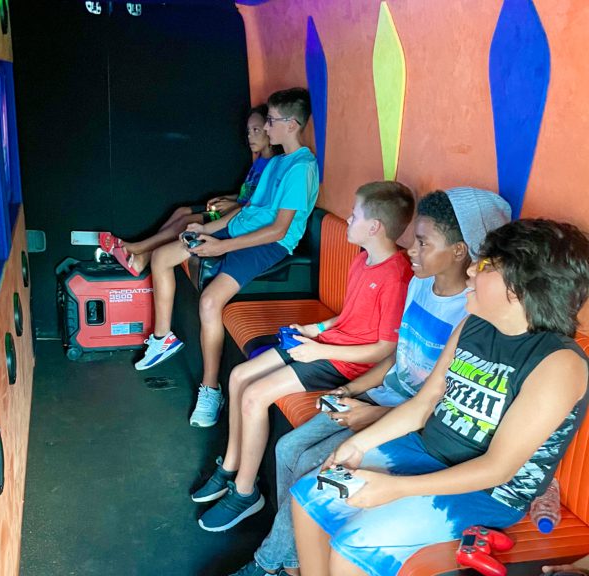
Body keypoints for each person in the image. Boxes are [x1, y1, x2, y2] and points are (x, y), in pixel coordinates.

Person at [229, 187, 512, 576]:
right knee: (288, 447)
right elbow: (397, 357)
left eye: (423, 242)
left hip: (402, 417)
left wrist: (370, 412)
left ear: (461, 251)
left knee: (313, 462)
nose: (410, 249)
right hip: (380, 395)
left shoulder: (471, 312)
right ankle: (293, 559)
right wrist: (351, 391)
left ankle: (269, 562)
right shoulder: (419, 283)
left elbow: (438, 406)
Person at [290, 218, 589, 576]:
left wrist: (397, 489)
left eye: (488, 266)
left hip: (489, 492)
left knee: (353, 549)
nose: (472, 273)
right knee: (308, 499)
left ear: (522, 288)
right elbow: (423, 404)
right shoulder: (473, 323)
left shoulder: (560, 363)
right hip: (425, 451)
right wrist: (359, 444)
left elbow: (498, 468)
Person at [193, 181, 415, 532]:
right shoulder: (362, 260)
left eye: (354, 214)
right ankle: (230, 466)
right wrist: (315, 329)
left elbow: (385, 349)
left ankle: (246, 491)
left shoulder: (398, 274)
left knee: (254, 396)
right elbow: (347, 317)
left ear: (374, 227)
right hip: (327, 344)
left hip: (348, 361)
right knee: (238, 377)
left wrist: (320, 349)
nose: (349, 218)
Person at [133, 87, 319, 426]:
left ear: (291, 125)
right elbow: (247, 209)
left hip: (266, 245)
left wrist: (219, 247)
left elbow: (278, 230)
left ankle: (210, 389)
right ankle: (162, 339)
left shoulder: (301, 168)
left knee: (209, 302)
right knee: (163, 256)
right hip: (238, 231)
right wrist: (211, 232)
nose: (266, 128)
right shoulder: (276, 161)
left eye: (272, 122)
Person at [99, 104, 281, 275]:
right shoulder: (258, 161)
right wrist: (229, 196)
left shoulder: (274, 165)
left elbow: (258, 202)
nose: (250, 136)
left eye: (256, 130)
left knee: (185, 222)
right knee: (181, 211)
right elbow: (248, 191)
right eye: (248, 131)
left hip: (237, 214)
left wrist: (233, 203)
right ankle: (143, 255)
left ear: (268, 130)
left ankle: (137, 250)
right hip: (233, 206)